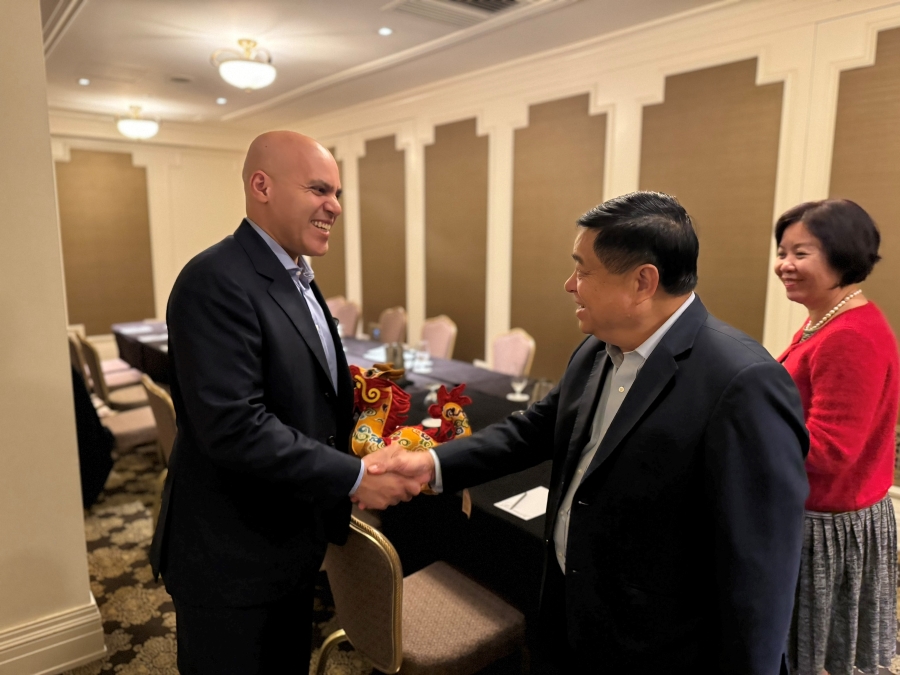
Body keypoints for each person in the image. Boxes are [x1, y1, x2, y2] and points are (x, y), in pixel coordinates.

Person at [362, 191, 810, 673]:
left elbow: (761, 572)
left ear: (642, 282)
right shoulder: (597, 349)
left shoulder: (743, 382)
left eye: (583, 269)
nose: (569, 284)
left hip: (658, 648)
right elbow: (534, 429)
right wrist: (430, 463)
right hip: (572, 614)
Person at [149, 131, 428, 674]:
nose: (335, 207)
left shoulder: (295, 274)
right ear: (262, 186)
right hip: (232, 559)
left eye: (338, 193)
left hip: (289, 546)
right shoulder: (214, 279)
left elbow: (306, 395)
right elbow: (235, 426)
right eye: (319, 189)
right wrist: (353, 476)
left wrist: (370, 445)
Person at [773, 199, 898, 675]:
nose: (784, 265)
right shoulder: (825, 318)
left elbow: (829, 451)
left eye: (800, 253)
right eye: (782, 252)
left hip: (830, 524)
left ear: (842, 255)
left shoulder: (850, 335)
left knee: (810, 657)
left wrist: (747, 433)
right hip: (823, 513)